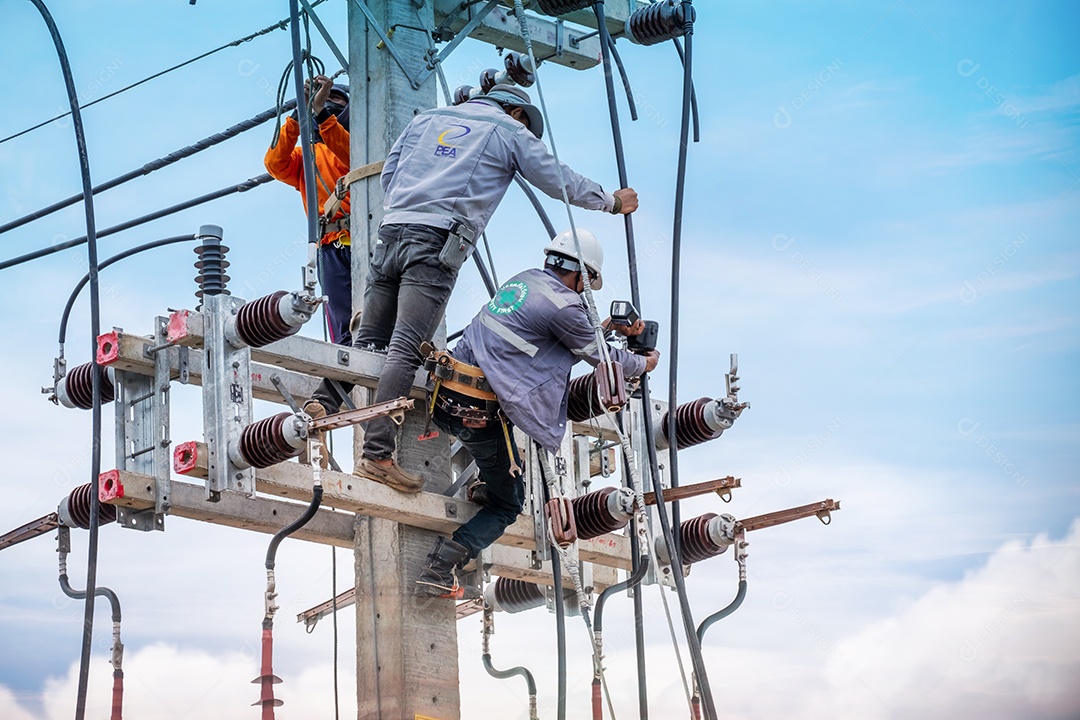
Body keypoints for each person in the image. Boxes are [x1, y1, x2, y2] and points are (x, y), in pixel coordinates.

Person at [305, 84, 640, 492]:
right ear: (516, 112)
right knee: (405, 346)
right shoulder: (507, 130)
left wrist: (410, 208)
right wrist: (612, 202)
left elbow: (390, 175)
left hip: (391, 231)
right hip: (438, 242)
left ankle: (322, 402)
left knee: (369, 336)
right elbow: (559, 181)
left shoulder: (426, 119)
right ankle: (377, 455)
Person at [415, 229, 660, 597]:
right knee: (508, 503)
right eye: (588, 282)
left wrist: (605, 327)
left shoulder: (524, 281)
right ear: (581, 274)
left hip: (446, 396)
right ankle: (440, 566)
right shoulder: (567, 307)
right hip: (478, 413)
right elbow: (606, 360)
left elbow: (546, 337)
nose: (586, 290)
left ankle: (485, 481)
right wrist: (645, 364)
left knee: (513, 422)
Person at [264, 75, 355, 348]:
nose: (328, 104)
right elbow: (274, 163)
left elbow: (353, 156)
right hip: (330, 248)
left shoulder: (362, 142)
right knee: (344, 328)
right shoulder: (308, 156)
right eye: (325, 99)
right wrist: (299, 112)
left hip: (366, 239)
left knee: (377, 316)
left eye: (335, 100)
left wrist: (321, 113)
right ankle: (350, 374)